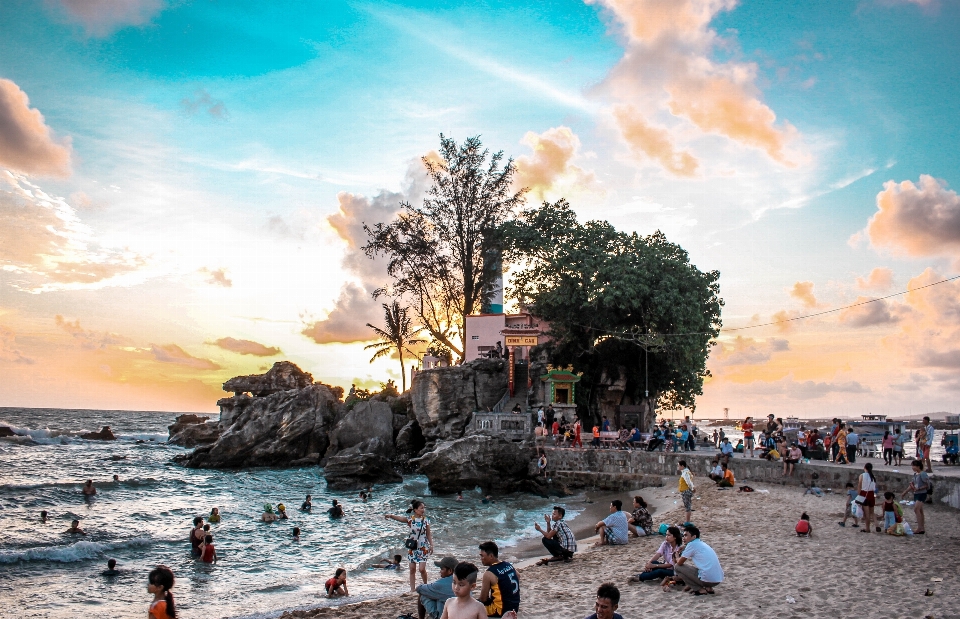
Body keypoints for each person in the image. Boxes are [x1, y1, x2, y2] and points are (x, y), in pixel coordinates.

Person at [386, 499, 434, 592]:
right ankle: (412, 589)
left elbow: (428, 534)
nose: (423, 510)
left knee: (421, 569)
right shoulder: (410, 519)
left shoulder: (426, 520)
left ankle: (425, 585)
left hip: (423, 546)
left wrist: (431, 545)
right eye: (421, 508)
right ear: (415, 510)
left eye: (424, 508)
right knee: (412, 569)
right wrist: (391, 516)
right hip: (412, 547)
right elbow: (400, 519)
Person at [673, 525, 723, 595]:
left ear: (694, 537)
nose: (683, 538)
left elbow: (680, 563)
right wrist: (685, 547)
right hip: (717, 579)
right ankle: (709, 588)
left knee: (677, 567)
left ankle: (699, 589)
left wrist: (677, 556)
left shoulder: (691, 545)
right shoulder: (701, 543)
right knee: (702, 568)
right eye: (683, 535)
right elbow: (695, 548)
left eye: (686, 535)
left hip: (707, 580)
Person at [478, 541, 520, 617]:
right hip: (514, 607)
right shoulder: (508, 565)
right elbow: (518, 575)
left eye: (482, 556)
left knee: (474, 607)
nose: (481, 559)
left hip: (500, 610)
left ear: (491, 556)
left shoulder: (489, 573)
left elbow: (483, 598)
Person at [901, 459, 929, 534]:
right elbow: (912, 484)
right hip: (916, 493)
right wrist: (905, 492)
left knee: (916, 509)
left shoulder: (923, 474)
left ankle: (920, 527)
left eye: (914, 466)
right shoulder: (915, 475)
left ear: (918, 466)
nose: (912, 467)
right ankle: (922, 527)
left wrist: (919, 488)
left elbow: (927, 485)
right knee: (920, 510)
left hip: (922, 493)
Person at [857, 463, 879, 533]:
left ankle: (867, 528)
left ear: (864, 467)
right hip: (871, 494)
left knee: (867, 514)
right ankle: (877, 525)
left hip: (864, 494)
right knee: (872, 512)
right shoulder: (873, 477)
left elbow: (859, 485)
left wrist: (858, 495)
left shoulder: (862, 475)